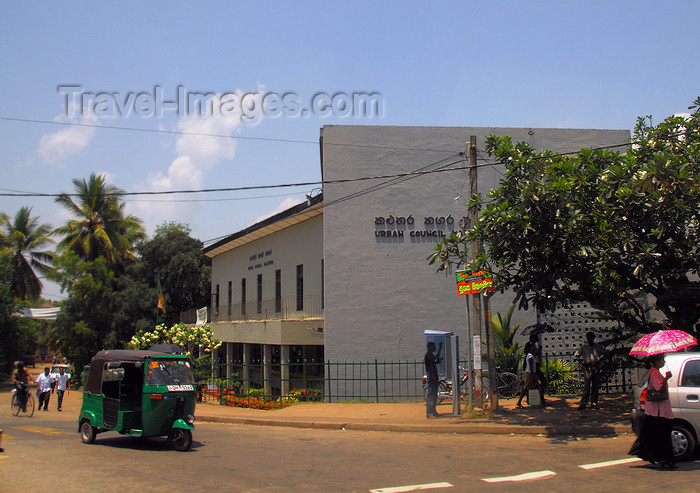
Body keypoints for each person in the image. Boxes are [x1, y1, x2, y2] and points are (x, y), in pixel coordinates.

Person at [629, 353, 677, 469]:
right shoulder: (654, 372)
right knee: (663, 436)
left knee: (659, 436)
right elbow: (658, 387)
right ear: (657, 362)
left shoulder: (655, 372)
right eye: (662, 360)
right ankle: (665, 460)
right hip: (658, 411)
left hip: (659, 410)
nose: (664, 362)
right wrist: (666, 378)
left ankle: (663, 459)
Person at [574, 331, 607, 409]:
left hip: (596, 366)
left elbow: (606, 353)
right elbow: (577, 355)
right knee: (587, 386)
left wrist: (601, 360)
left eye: (591, 338)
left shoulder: (598, 347)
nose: (590, 339)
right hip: (588, 367)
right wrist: (582, 362)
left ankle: (594, 402)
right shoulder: (584, 347)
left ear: (593, 338)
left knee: (595, 386)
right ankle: (584, 403)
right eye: (588, 338)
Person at [515, 342, 541, 408]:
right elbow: (531, 364)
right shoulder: (530, 356)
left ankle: (541, 401)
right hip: (530, 373)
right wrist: (533, 374)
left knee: (538, 386)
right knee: (526, 387)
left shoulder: (530, 355)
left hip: (531, 373)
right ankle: (519, 402)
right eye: (533, 347)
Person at [424, 341, 443, 418]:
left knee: (434, 395)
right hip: (431, 377)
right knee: (431, 395)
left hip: (434, 377)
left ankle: (433, 411)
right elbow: (435, 359)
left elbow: (437, 360)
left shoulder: (431, 355)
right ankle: (429, 413)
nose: (434, 348)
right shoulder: (428, 355)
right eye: (433, 346)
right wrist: (440, 348)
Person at [529, 333, 548, 405]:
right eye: (536, 338)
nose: (538, 339)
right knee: (540, 382)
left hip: (535, 366)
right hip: (533, 367)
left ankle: (540, 399)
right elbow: (530, 355)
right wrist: (537, 351)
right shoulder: (530, 345)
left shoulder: (533, 345)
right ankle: (541, 400)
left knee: (534, 384)